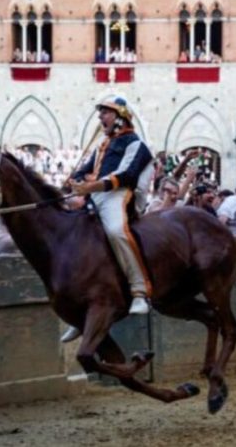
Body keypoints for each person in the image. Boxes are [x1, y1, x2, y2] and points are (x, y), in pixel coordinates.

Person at [71, 97, 154, 319]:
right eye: (100, 113)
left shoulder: (136, 144)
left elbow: (127, 175)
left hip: (119, 196)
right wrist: (76, 182)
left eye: (105, 113)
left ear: (120, 118)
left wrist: (91, 185)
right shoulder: (101, 147)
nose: (100, 117)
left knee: (116, 231)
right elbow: (84, 172)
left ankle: (139, 291)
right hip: (95, 196)